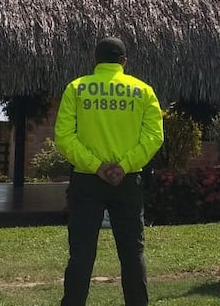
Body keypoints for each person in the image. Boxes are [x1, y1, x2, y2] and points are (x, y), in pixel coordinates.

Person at [54, 36, 164, 306]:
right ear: (124, 62)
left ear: (96, 60)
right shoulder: (143, 91)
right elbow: (154, 137)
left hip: (86, 180)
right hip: (127, 181)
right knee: (132, 253)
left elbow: (64, 137)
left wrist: (95, 166)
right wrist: (124, 165)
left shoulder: (77, 89)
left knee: (81, 253)